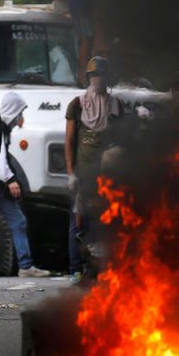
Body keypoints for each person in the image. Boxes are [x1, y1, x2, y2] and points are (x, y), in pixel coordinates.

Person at [64, 56, 123, 285]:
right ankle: (75, 268)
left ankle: (99, 269)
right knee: (78, 223)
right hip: (83, 175)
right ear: (88, 78)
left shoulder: (115, 105)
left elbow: (121, 137)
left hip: (107, 175)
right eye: (93, 75)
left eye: (101, 75)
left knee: (104, 223)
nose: (97, 80)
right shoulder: (77, 104)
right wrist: (70, 172)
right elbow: (69, 140)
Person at [0, 92, 50, 278]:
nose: (20, 118)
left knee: (18, 220)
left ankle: (25, 265)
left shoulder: (4, 129)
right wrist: (11, 180)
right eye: (19, 112)